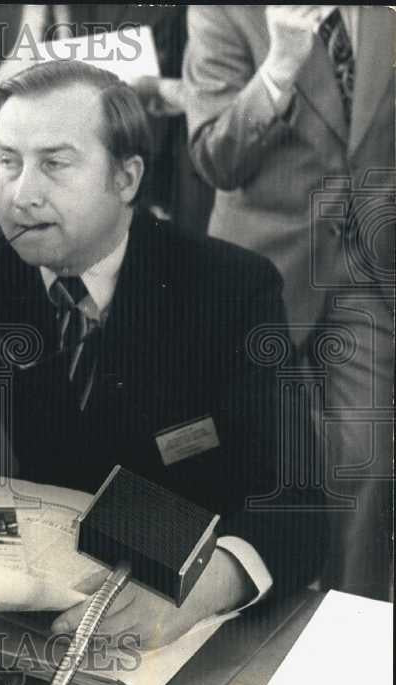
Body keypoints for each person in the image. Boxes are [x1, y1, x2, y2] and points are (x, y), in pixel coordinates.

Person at [0, 60, 325, 647]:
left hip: (177, 628)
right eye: (8, 162)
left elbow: (298, 504)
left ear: (126, 178)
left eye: (54, 164)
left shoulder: (229, 288)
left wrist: (204, 586)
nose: (22, 193)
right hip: (6, 620)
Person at [183, 6, 394, 600]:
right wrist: (278, 67)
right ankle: (233, 626)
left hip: (365, 272)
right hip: (257, 277)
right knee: (247, 469)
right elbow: (214, 158)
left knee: (367, 465)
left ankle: (352, 637)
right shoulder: (224, 11)